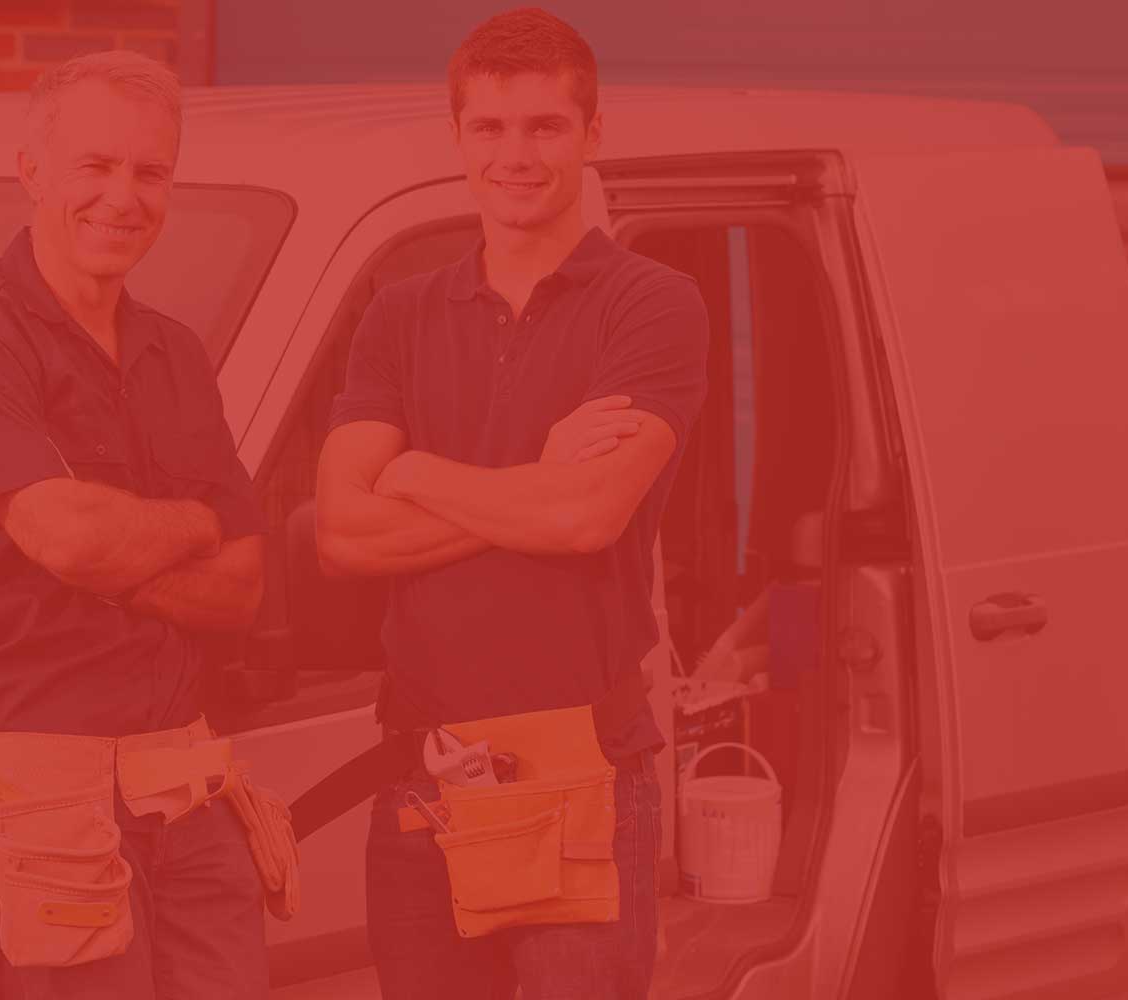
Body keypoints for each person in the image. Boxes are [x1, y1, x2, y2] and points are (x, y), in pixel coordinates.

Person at [315, 9, 710, 998]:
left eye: (544, 126)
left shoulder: (650, 303)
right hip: (424, 772)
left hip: (582, 765)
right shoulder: (400, 313)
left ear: (592, 133)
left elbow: (586, 518)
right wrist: (535, 473)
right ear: (457, 137)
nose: (516, 154)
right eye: (489, 127)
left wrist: (413, 470)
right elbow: (342, 535)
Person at [0, 51, 281, 999]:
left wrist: (112, 551)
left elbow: (241, 586)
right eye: (95, 167)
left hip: (183, 779)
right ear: (32, 171)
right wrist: (191, 524)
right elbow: (69, 538)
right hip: (39, 790)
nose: (123, 197)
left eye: (151, 172)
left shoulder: (173, 353)